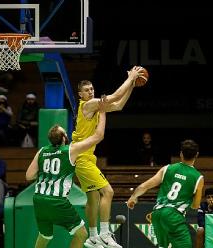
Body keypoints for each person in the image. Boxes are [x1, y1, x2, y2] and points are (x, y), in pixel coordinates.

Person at [72, 66, 144, 248]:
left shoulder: (96, 107)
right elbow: (113, 97)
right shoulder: (87, 105)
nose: (90, 92)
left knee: (93, 198)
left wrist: (132, 86)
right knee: (108, 192)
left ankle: (93, 236)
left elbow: (118, 105)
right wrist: (131, 77)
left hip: (87, 158)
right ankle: (104, 233)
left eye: (92, 89)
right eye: (87, 90)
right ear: (80, 94)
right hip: (82, 158)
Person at [26, 98, 107, 248]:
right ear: (64, 138)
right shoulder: (71, 150)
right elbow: (98, 136)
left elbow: (29, 176)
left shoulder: (42, 151)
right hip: (57, 201)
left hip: (39, 200)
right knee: (82, 234)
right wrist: (102, 112)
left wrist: (48, 173)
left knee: (44, 236)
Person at [127, 139, 205, 248]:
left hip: (157, 214)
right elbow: (195, 205)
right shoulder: (198, 178)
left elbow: (143, 186)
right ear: (197, 155)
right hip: (174, 215)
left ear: (181, 153)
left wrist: (133, 197)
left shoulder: (167, 168)